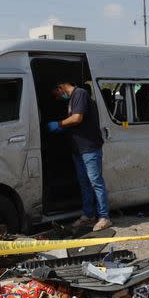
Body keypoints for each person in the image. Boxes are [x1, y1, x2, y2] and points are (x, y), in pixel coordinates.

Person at [48, 81, 112, 231]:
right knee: (84, 183)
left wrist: (59, 124)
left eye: (57, 95)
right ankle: (88, 214)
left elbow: (77, 118)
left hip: (89, 147)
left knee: (95, 182)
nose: (58, 98)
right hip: (79, 149)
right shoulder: (71, 99)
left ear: (61, 87)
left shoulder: (80, 94)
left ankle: (104, 217)